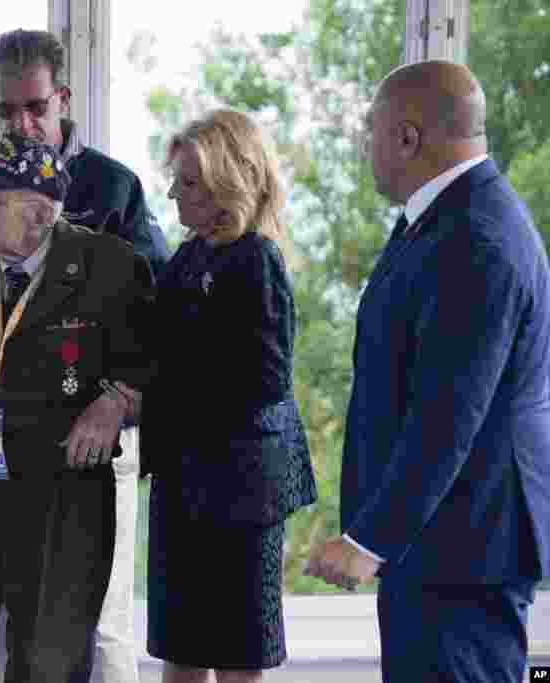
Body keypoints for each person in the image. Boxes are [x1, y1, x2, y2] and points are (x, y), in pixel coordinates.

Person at [0, 28, 169, 683]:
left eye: (35, 108)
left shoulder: (112, 190)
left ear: (63, 99)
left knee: (92, 630)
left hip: (82, 446)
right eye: (4, 110)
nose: (21, 123)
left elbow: (161, 320)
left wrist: (116, 397)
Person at [305, 60, 550, 682]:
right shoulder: (441, 219)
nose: (366, 149)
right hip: (437, 545)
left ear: (408, 137)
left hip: (464, 548)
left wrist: (369, 541)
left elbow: (449, 414)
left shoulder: (477, 236)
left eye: (371, 133)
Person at [116, 109, 317, 683]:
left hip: (241, 493)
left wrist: (152, 401)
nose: (175, 196)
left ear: (231, 179)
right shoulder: (191, 253)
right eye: (175, 181)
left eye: (189, 183)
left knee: (235, 655)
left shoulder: (256, 258)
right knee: (180, 647)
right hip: (188, 484)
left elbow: (264, 382)